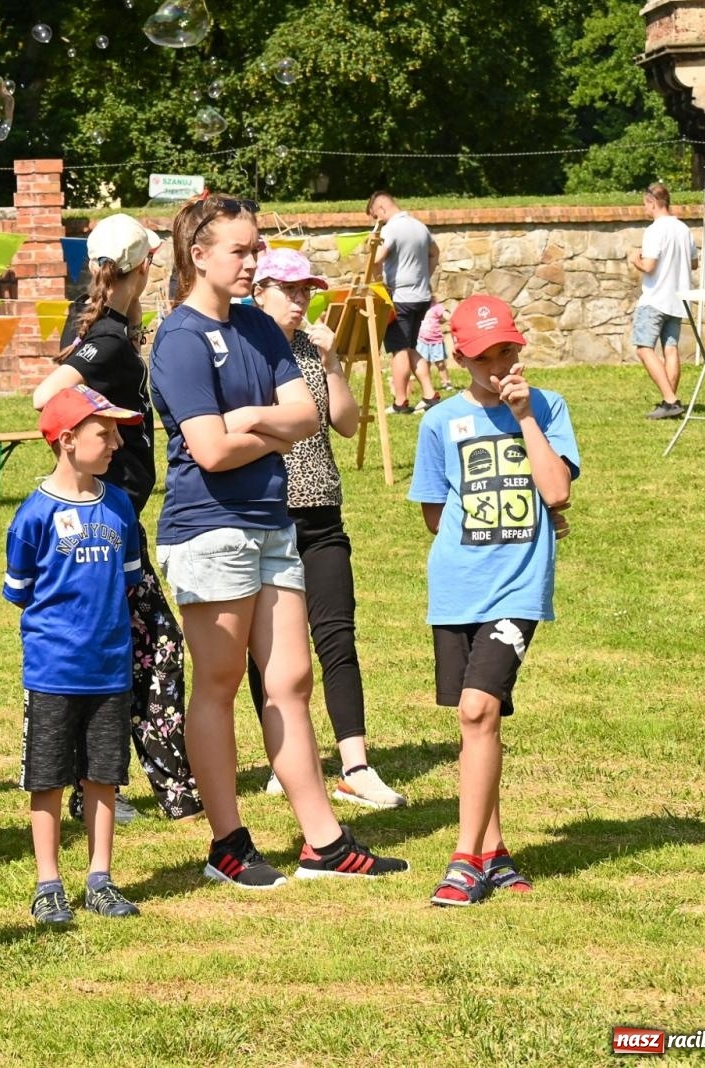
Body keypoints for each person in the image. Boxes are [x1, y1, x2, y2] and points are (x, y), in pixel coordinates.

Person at [149, 194, 407, 890]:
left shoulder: (262, 330)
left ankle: (323, 842)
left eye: (255, 247)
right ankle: (229, 844)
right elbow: (208, 451)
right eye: (241, 249)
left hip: (272, 522)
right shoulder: (177, 339)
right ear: (198, 255)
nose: (252, 260)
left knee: (290, 680)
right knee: (222, 682)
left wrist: (253, 417)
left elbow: (307, 415)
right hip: (209, 528)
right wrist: (261, 430)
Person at [407, 295, 578, 907]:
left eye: (508, 350)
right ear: (460, 356)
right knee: (481, 721)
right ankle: (497, 850)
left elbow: (556, 492)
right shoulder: (438, 423)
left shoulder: (549, 408)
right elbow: (433, 513)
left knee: (477, 711)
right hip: (457, 589)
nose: (500, 363)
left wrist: (526, 418)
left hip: (517, 588)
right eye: (486, 355)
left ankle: (464, 859)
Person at [30, 213, 201, 823]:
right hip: (107, 514)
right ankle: (162, 787)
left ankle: (108, 784)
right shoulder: (103, 337)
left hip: (116, 515)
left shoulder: (108, 328)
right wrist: (92, 443)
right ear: (143, 268)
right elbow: (45, 396)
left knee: (127, 646)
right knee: (154, 645)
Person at [242, 249, 407, 810]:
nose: (299, 300)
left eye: (306, 290)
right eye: (288, 290)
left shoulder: (312, 348)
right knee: (267, 652)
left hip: (321, 512)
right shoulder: (241, 348)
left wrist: (333, 364)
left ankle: (355, 764)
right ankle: (283, 759)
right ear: (258, 289)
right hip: (265, 515)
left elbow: (345, 421)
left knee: (336, 635)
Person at [4, 385, 146, 925]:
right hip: (54, 672)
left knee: (104, 776)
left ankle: (100, 879)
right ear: (67, 441)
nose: (114, 443)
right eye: (102, 433)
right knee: (48, 777)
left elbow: (129, 580)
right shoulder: (34, 516)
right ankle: (48, 883)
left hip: (110, 669)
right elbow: (21, 589)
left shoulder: (118, 506)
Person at [367, 190, 442, 415]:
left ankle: (401, 402)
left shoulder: (392, 228)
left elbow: (376, 258)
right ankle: (429, 395)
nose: (376, 223)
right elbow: (435, 253)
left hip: (400, 298)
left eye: (374, 217)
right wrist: (424, 277)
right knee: (411, 347)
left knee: (398, 349)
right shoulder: (420, 226)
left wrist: (377, 278)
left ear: (381, 209)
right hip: (421, 297)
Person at [628, 182, 696, 420]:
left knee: (644, 348)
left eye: (644, 205)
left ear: (652, 202)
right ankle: (671, 404)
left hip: (655, 298)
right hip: (678, 299)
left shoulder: (655, 230)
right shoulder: (683, 229)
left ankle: (670, 399)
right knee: (670, 348)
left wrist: (635, 258)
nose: (644, 210)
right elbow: (693, 263)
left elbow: (649, 265)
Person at [418, 300, 453, 392]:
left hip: (436, 341)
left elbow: (446, 315)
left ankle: (446, 382)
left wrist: (451, 318)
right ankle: (427, 386)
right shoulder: (418, 306)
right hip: (422, 341)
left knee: (440, 364)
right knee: (425, 365)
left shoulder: (436, 306)